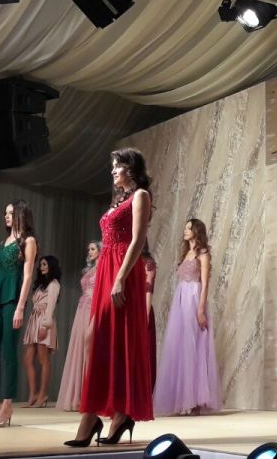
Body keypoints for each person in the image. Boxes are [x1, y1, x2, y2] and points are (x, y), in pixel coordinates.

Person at [66, 148, 153, 447]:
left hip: (122, 271)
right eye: (113, 166)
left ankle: (109, 416)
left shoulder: (140, 196)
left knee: (113, 340)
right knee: (95, 339)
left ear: (131, 168)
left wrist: (120, 279)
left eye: (118, 166)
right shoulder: (119, 200)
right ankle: (101, 415)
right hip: (106, 268)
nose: (113, 171)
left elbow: (138, 240)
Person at [0, 200, 38, 427]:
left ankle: (8, 403)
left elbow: (28, 276)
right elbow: (0, 274)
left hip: (13, 299)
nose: (6, 216)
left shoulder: (28, 241)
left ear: (21, 214)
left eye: (11, 213)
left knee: (9, 353)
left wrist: (21, 306)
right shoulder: (4, 242)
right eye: (5, 213)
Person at [153, 219, 220, 415]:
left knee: (194, 345)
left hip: (194, 298)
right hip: (181, 299)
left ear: (197, 231)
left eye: (189, 228)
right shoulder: (186, 253)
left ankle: (195, 401)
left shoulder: (203, 254)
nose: (185, 230)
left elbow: (205, 283)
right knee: (181, 346)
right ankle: (182, 399)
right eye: (185, 227)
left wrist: (200, 309)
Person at [57, 241, 99, 412]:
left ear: (101, 250)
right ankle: (78, 396)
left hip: (92, 309)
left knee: (91, 349)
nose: (89, 251)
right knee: (79, 348)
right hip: (82, 309)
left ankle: (90, 396)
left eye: (93, 249)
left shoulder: (104, 268)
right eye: (89, 249)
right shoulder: (89, 269)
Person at [22, 255, 61, 408]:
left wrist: (45, 325)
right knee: (28, 359)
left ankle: (43, 394)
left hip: (44, 320)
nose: (42, 267)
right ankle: (33, 394)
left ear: (51, 266)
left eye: (45, 264)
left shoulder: (54, 284)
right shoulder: (41, 284)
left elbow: (51, 306)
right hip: (35, 320)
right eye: (41, 265)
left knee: (43, 359)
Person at [142, 247, 157, 393]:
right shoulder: (128, 261)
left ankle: (144, 390)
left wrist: (145, 315)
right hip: (129, 309)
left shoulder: (148, 263)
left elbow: (148, 290)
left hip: (142, 309)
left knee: (144, 349)